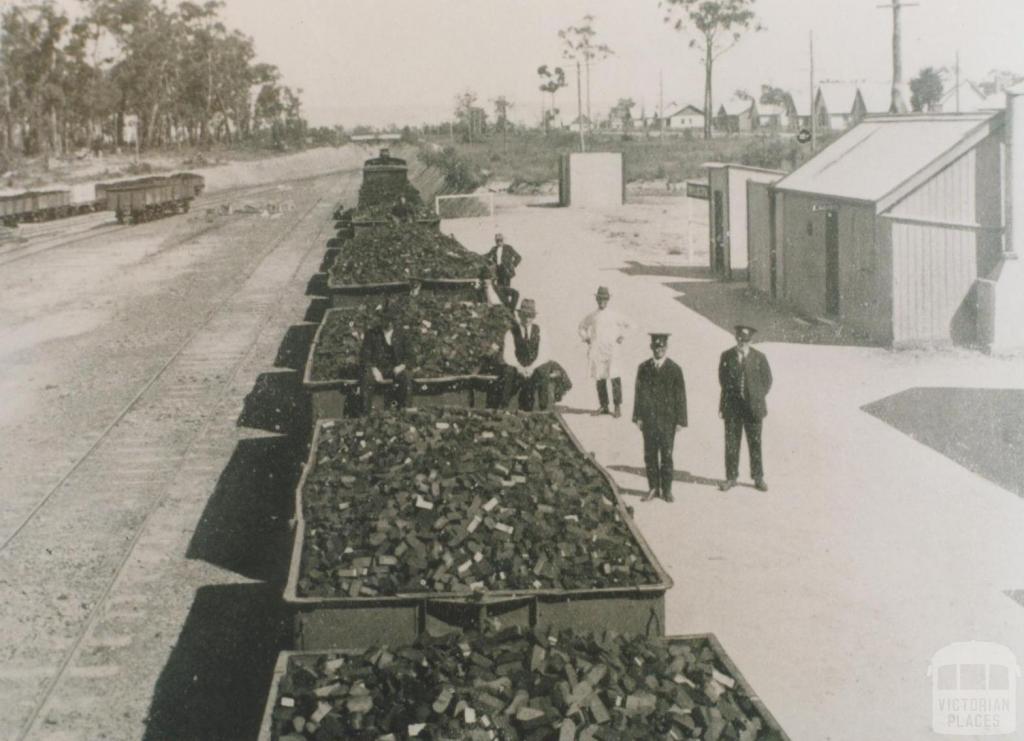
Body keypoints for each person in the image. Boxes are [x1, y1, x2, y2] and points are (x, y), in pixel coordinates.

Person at [633, 333, 687, 502]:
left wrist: (680, 420)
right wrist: (638, 417)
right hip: (648, 420)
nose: (659, 350)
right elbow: (639, 393)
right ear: (651, 348)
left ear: (666, 348)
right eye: (656, 347)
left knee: (666, 456)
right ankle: (653, 488)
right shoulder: (643, 368)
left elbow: (680, 396)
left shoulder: (674, 369)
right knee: (649, 455)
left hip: (667, 421)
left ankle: (667, 490)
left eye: (662, 347)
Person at [718, 325, 773, 492]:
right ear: (736, 338)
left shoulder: (759, 358)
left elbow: (767, 380)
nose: (742, 342)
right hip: (733, 408)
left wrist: (756, 396)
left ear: (751, 340)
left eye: (745, 340)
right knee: (731, 443)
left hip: (753, 409)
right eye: (739, 339)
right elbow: (722, 379)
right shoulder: (726, 356)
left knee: (755, 443)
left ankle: (758, 477)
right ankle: (731, 478)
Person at [577, 286, 633, 417]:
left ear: (608, 300)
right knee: (599, 378)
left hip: (612, 351)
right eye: (600, 299)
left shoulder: (614, 315)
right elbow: (581, 327)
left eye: (605, 299)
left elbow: (631, 324)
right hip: (597, 351)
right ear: (596, 299)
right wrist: (586, 338)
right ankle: (604, 405)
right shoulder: (592, 316)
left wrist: (622, 335)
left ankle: (617, 407)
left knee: (614, 377)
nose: (602, 301)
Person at [358, 304, 413, 415]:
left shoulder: (401, 334)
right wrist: (374, 369)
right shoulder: (372, 334)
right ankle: (366, 414)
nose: (388, 323)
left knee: (406, 377)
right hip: (377, 369)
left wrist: (401, 366)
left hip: (395, 369)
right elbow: (364, 356)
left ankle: (405, 412)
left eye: (391, 320)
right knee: (366, 378)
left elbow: (411, 356)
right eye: (385, 319)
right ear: (381, 319)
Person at [498, 298, 551, 411]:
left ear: (534, 316)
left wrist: (532, 367)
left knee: (543, 372)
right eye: (524, 315)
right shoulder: (511, 332)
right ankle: (504, 407)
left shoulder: (540, 331)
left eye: (530, 315)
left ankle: (543, 408)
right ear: (520, 315)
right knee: (508, 373)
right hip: (518, 364)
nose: (527, 319)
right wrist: (519, 367)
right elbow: (508, 354)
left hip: (534, 364)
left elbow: (544, 353)